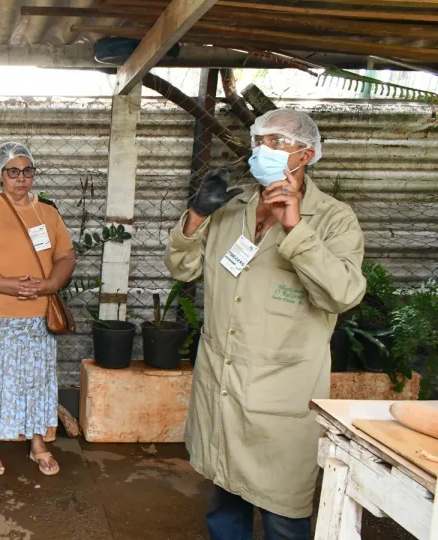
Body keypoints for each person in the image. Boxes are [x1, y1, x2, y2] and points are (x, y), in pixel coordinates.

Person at [164, 109, 366, 540]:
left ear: (305, 155)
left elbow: (343, 293)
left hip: (281, 395)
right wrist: (197, 216)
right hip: (222, 385)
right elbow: (182, 269)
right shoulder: (233, 209)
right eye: (259, 141)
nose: (262, 151)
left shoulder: (333, 219)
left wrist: (295, 230)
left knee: (283, 517)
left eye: (276, 143)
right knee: (225, 504)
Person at [0, 142, 76, 477]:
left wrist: (51, 284)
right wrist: (4, 284)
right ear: (0, 175)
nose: (21, 178)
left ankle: (38, 443)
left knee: (36, 379)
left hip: (37, 316)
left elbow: (66, 256)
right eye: (13, 171)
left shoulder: (47, 212)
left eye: (27, 170)